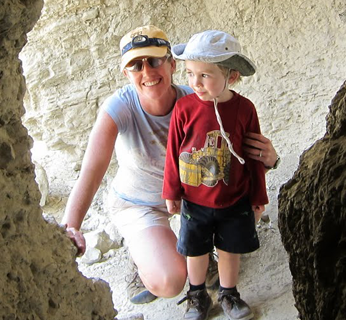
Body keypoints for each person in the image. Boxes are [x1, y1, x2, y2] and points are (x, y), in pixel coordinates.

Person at [59, 25, 280, 306]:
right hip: (140, 203)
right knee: (171, 280)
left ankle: (195, 254)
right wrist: (71, 227)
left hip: (192, 198)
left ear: (172, 64)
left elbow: (237, 152)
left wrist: (271, 160)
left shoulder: (198, 96)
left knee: (246, 218)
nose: (148, 73)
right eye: (136, 66)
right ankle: (142, 257)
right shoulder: (120, 107)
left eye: (154, 61)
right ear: (125, 73)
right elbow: (91, 172)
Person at [162, 29, 265, 320]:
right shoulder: (184, 108)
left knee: (230, 249)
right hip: (196, 200)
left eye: (205, 75)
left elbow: (253, 155)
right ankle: (197, 297)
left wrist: (259, 195)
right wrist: (171, 191)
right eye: (191, 73)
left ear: (231, 76)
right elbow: (173, 152)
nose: (195, 82)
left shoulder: (245, 109)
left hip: (235, 198)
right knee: (196, 251)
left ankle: (229, 294)